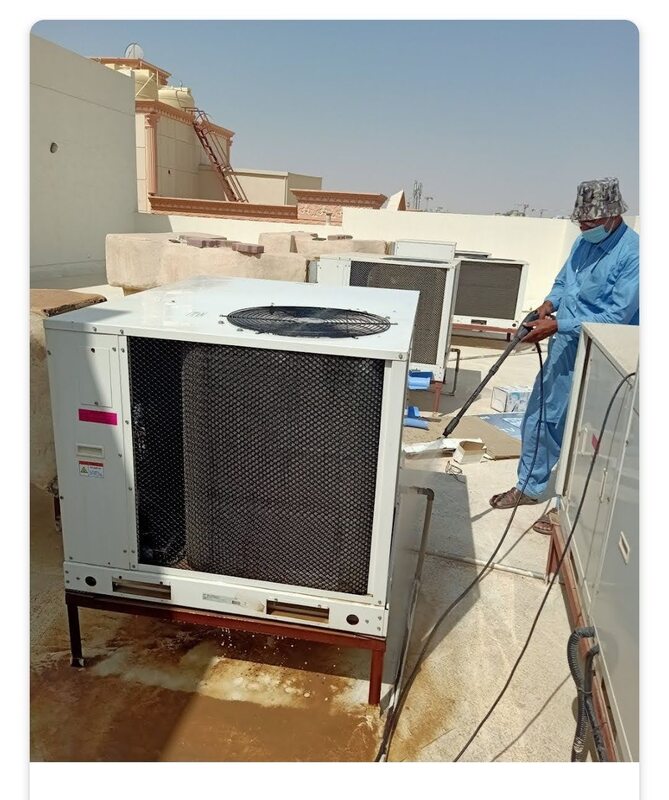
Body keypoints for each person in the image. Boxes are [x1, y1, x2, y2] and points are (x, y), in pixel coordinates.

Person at [488, 177, 639, 533]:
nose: (583, 228)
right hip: (567, 347)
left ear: (613, 216)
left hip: (605, 357)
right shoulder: (582, 243)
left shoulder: (635, 255)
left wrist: (557, 325)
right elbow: (563, 282)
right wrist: (547, 306)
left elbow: (617, 316)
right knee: (542, 417)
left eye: (590, 222)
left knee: (586, 437)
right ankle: (529, 486)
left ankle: (565, 510)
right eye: (580, 222)